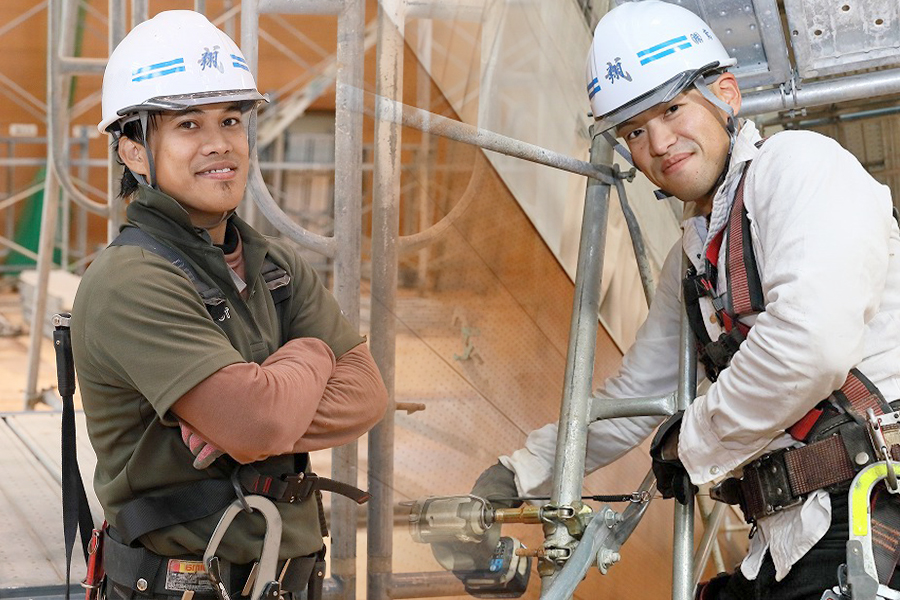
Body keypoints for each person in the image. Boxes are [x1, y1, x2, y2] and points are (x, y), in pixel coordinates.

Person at [468, 2, 900, 598]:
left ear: (726, 94)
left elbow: (811, 343)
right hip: (791, 535)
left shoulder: (800, 167)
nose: (660, 143)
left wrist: (692, 440)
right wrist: (520, 472)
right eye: (634, 132)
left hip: (870, 512)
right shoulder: (694, 258)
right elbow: (639, 399)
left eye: (672, 109)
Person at [71, 10, 388, 600]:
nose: (221, 143)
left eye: (232, 120)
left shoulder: (272, 264)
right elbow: (259, 421)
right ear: (135, 151)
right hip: (187, 583)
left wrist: (260, 411)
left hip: (291, 579)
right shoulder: (130, 281)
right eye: (188, 124)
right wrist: (313, 358)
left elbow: (368, 394)